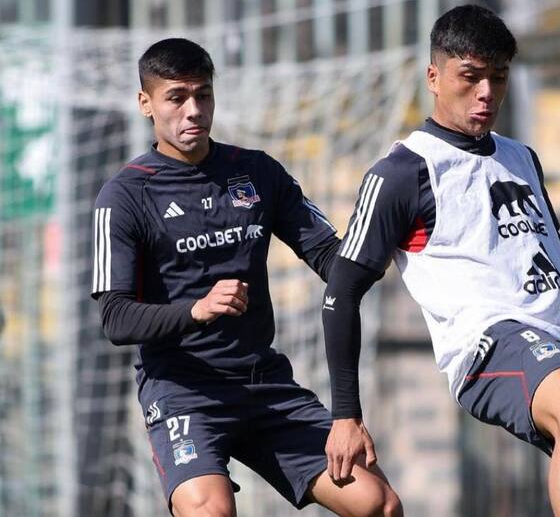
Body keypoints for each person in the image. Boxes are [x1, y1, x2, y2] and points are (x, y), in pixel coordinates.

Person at [321, 5, 560, 516]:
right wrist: (346, 414)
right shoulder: (404, 173)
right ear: (434, 77)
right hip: (488, 348)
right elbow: (342, 289)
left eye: (497, 78)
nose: (486, 93)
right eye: (470, 77)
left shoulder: (521, 158)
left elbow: (554, 253)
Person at [91, 38, 402, 517]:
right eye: (177, 97)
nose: (193, 110)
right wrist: (195, 311)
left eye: (204, 95)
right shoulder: (124, 196)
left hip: (265, 385)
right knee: (210, 511)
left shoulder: (256, 172)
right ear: (145, 103)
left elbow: (328, 257)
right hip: (183, 392)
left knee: (378, 504)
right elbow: (115, 319)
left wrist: (378, 243)